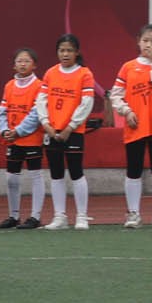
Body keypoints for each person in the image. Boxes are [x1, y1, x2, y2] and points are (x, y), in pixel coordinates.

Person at [108, 23, 152, 229]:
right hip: (135, 126)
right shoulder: (128, 67)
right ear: (138, 41)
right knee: (133, 170)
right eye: (145, 40)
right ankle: (133, 213)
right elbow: (116, 95)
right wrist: (126, 111)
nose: (148, 45)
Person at [40, 34, 97, 231]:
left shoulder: (84, 74)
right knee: (56, 174)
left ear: (77, 53)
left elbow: (86, 103)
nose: (65, 54)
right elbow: (41, 100)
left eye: (69, 50)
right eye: (62, 50)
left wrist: (70, 127)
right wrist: (46, 123)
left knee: (76, 172)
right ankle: (60, 216)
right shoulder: (50, 73)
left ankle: (81, 216)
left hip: (73, 131)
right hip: (52, 130)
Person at [0, 49, 46, 229]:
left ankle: (35, 216)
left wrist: (18, 131)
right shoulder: (9, 85)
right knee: (11, 178)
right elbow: (2, 111)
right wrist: (4, 130)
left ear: (34, 65)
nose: (22, 64)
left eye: (27, 61)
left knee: (35, 175)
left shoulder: (40, 86)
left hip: (31, 138)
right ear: (14, 65)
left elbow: (36, 114)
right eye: (19, 61)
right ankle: (13, 216)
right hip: (12, 139)